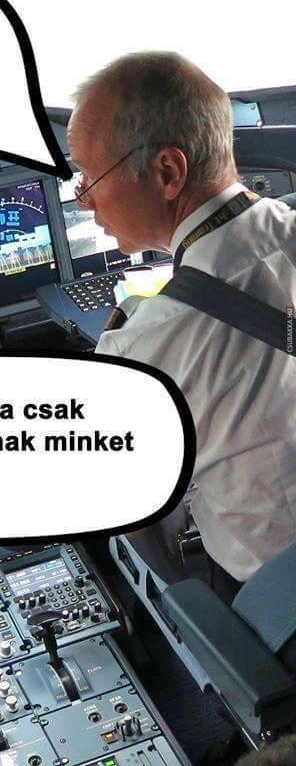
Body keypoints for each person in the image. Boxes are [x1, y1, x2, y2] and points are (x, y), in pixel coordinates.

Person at [68, 52, 296, 587]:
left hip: (276, 602)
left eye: (89, 176)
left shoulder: (144, 350)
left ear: (168, 172)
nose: (83, 202)